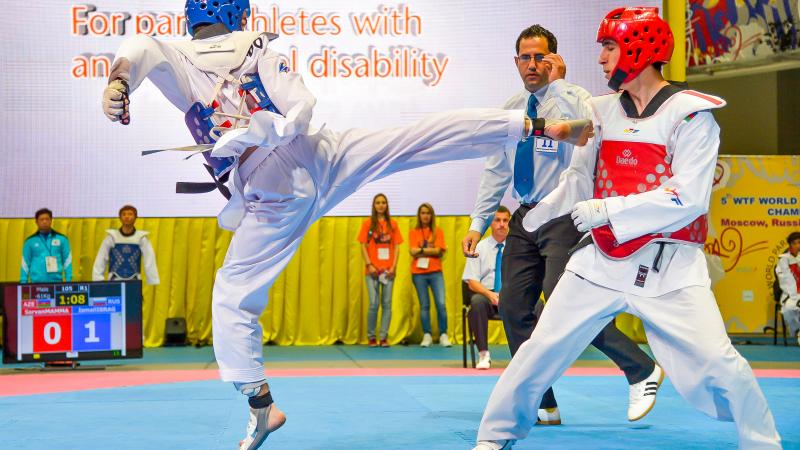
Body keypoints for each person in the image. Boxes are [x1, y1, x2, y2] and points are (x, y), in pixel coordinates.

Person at [101, 2, 590, 448]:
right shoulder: (256, 43)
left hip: (274, 186)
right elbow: (301, 103)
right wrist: (287, 122)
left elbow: (139, 48)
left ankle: (260, 404)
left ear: (190, 16)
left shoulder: (175, 52)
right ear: (238, 11)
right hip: (320, 153)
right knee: (411, 139)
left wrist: (119, 81)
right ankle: (528, 126)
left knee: (232, 292)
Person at [474, 7, 781, 449]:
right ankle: (492, 439)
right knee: (537, 351)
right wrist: (539, 215)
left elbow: (688, 198)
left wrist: (608, 210)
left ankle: (762, 443)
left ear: (641, 50)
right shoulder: (601, 113)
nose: (600, 57)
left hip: (669, 264)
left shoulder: (692, 115)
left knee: (719, 363)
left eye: (609, 46)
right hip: (600, 260)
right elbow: (578, 178)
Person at [462, 24, 658, 426]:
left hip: (565, 215)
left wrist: (560, 85)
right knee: (515, 307)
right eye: (525, 57)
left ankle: (639, 368)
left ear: (554, 59)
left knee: (563, 298)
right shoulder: (512, 109)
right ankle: (543, 401)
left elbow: (591, 132)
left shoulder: (576, 98)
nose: (532, 65)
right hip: (524, 216)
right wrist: (478, 224)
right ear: (516, 62)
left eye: (540, 57)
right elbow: (496, 171)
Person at [462, 206, 510, 369]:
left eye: (505, 220)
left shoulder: (518, 247)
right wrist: (490, 295)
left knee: (537, 304)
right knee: (477, 302)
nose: (502, 224)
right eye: (497, 220)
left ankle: (529, 356)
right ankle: (483, 354)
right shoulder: (479, 247)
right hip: (487, 297)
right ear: (490, 223)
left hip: (511, 298)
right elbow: (472, 281)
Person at [358, 194, 403, 348]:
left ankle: (383, 337)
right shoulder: (367, 224)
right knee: (373, 303)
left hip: (388, 271)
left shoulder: (393, 224)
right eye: (378, 202)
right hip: (372, 271)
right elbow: (363, 245)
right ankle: (371, 337)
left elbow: (397, 246)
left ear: (387, 205)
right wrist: (369, 264)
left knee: (387, 304)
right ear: (374, 205)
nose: (381, 205)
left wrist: (393, 267)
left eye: (383, 202)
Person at [409, 203, 449, 348]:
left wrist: (421, 250)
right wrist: (430, 250)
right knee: (424, 305)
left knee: (441, 304)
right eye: (423, 213)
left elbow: (439, 250)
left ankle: (443, 334)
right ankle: (427, 335)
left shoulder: (437, 231)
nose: (425, 215)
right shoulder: (414, 232)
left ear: (431, 215)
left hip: (435, 272)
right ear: (419, 215)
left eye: (428, 213)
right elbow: (412, 251)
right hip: (418, 273)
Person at [92, 205, 160, 285]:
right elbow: (101, 258)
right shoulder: (111, 238)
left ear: (135, 217)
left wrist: (153, 279)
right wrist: (98, 279)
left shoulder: (141, 238)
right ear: (120, 217)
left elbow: (150, 260)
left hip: (134, 280)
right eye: (124, 214)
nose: (127, 217)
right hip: (114, 280)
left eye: (130, 214)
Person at [20, 208, 72, 283]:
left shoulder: (62, 239)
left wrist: (68, 281)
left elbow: (67, 261)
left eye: (47, 219)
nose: (44, 222)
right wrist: (23, 283)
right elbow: (25, 264)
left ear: (51, 221)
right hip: (36, 284)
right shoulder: (29, 241)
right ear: (36, 222)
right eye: (41, 219)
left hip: (57, 283)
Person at [776, 231, 800, 345]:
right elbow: (785, 281)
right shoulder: (783, 260)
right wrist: (795, 295)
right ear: (790, 245)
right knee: (789, 309)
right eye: (794, 243)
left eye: (799, 243)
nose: (797, 246)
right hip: (790, 294)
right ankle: (797, 331)